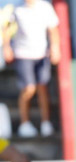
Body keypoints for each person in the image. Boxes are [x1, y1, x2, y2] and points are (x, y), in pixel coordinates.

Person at [2, 0, 60, 138]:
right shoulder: (15, 8)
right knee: (28, 88)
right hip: (22, 54)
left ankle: (46, 123)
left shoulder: (46, 7)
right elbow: (6, 28)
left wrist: (55, 48)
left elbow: (53, 30)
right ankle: (24, 123)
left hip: (41, 54)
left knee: (42, 88)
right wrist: (6, 47)